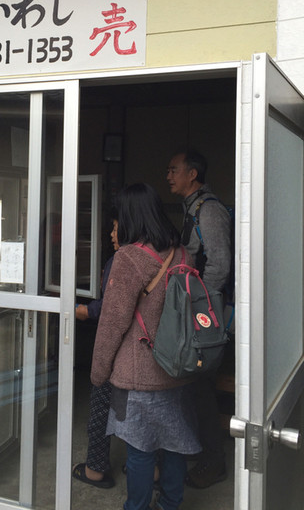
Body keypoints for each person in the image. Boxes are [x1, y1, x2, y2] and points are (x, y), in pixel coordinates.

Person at [91, 184, 200, 510]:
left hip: (138, 376)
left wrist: (99, 372)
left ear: (129, 217)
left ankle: (136, 507)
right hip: (178, 368)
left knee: (139, 450)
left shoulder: (128, 258)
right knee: (175, 445)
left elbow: (112, 324)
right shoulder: (182, 254)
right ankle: (169, 504)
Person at [166, 148, 232, 489]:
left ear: (192, 174)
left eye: (174, 169)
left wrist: (198, 306)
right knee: (192, 386)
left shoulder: (210, 210)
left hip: (206, 315)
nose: (168, 175)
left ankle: (214, 462)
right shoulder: (191, 207)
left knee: (202, 386)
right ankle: (199, 450)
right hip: (196, 310)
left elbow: (219, 264)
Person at [72, 214, 119, 489]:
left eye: (115, 227)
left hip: (117, 349)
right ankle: (153, 470)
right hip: (147, 353)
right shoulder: (163, 252)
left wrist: (85, 311)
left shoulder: (123, 261)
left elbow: (112, 308)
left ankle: (95, 469)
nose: (111, 234)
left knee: (101, 406)